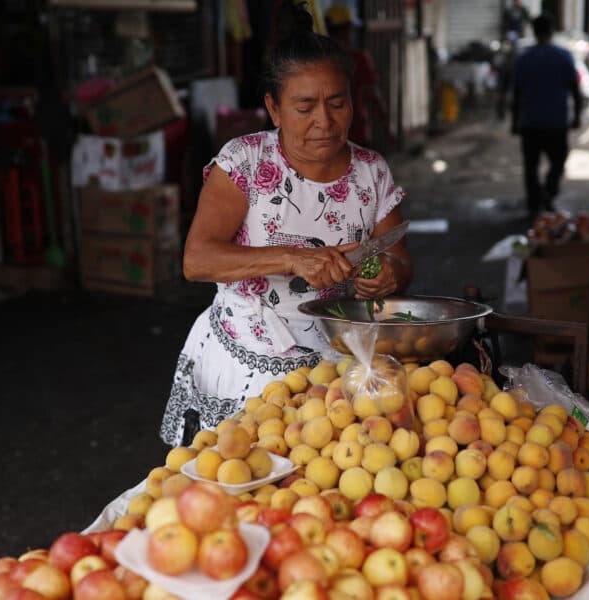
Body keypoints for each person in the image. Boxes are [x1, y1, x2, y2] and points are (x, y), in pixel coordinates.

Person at [160, 0, 413, 446]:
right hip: (245, 361)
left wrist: (386, 274)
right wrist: (293, 258)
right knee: (236, 477)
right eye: (305, 107)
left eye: (337, 103)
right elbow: (197, 260)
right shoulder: (244, 162)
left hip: (332, 373)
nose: (324, 121)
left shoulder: (371, 172)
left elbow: (398, 259)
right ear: (274, 109)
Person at [511, 14, 583, 214]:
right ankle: (548, 193)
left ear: (534, 32)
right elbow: (575, 89)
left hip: (530, 122)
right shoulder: (563, 56)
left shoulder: (525, 59)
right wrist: (577, 115)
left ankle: (534, 202)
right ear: (551, 32)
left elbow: (516, 93)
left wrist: (514, 120)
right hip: (556, 122)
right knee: (558, 162)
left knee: (531, 167)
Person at [324, 4, 388, 148]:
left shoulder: (317, 61)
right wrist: (386, 126)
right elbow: (373, 95)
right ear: (345, 30)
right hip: (356, 134)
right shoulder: (358, 59)